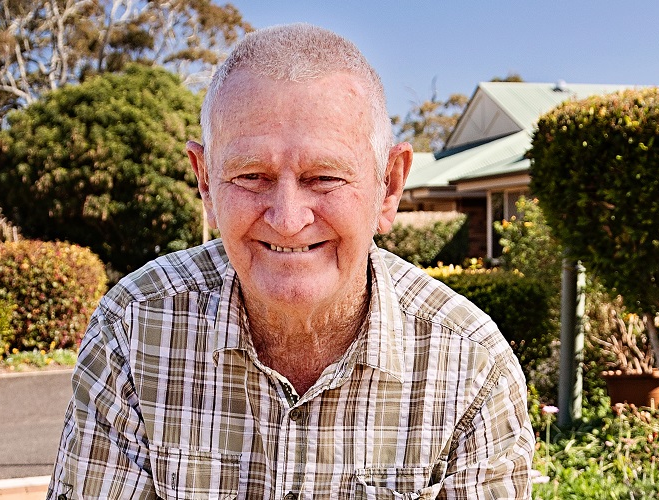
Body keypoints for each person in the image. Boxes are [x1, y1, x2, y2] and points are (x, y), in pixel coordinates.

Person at [48, 23, 533, 499]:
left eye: (323, 177)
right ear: (206, 183)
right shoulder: (133, 331)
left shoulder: (471, 367)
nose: (286, 219)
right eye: (251, 175)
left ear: (389, 186)